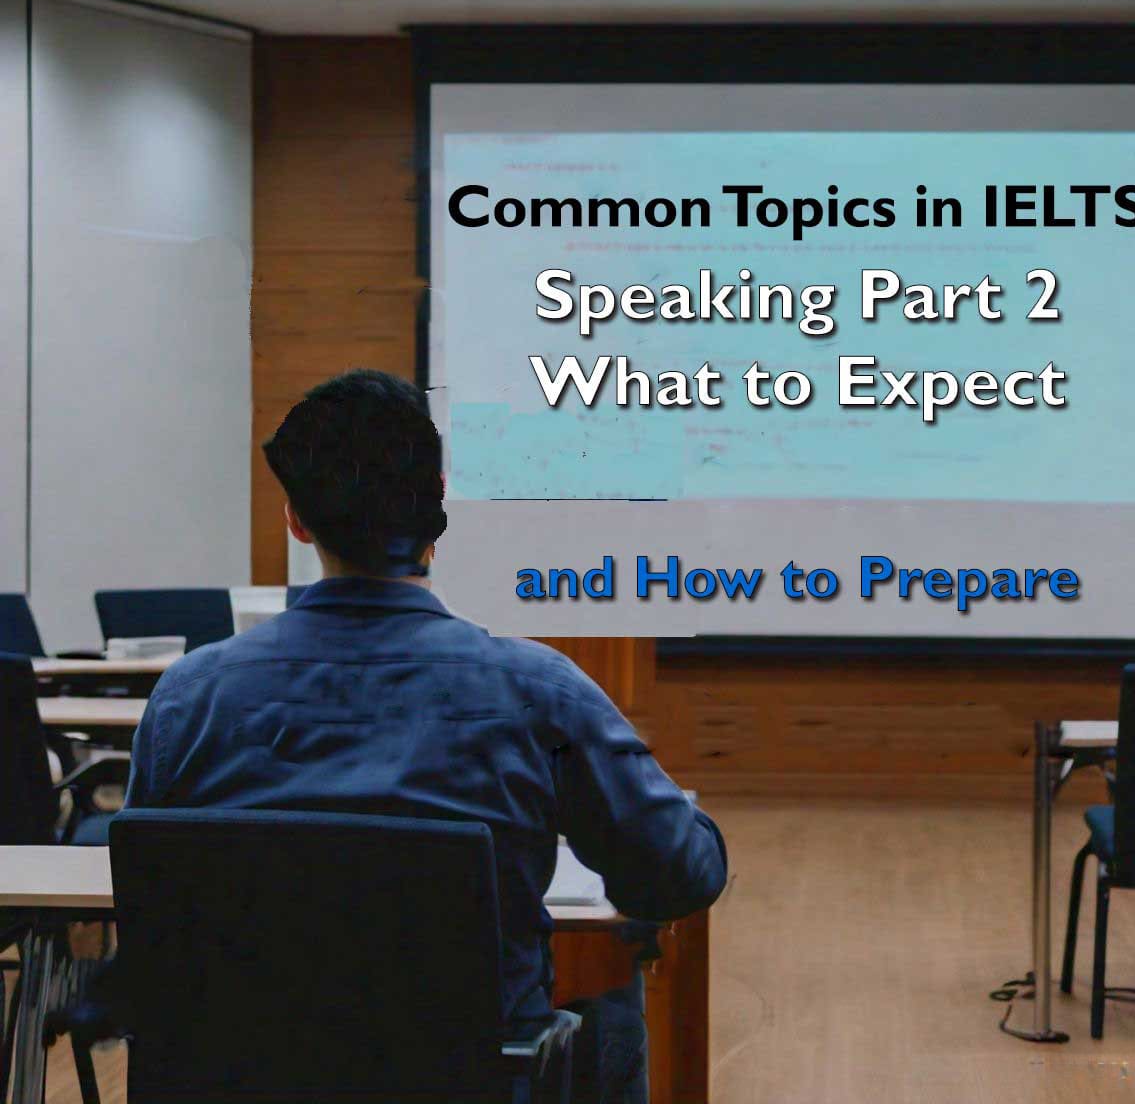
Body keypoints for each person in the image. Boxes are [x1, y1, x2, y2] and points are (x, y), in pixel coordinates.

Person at [123, 368, 727, 1103]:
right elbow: (679, 875)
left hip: (240, 1078)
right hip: (466, 1082)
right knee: (612, 1000)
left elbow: (158, 922)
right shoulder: (539, 692)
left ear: (296, 520)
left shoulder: (188, 699)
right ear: (437, 503)